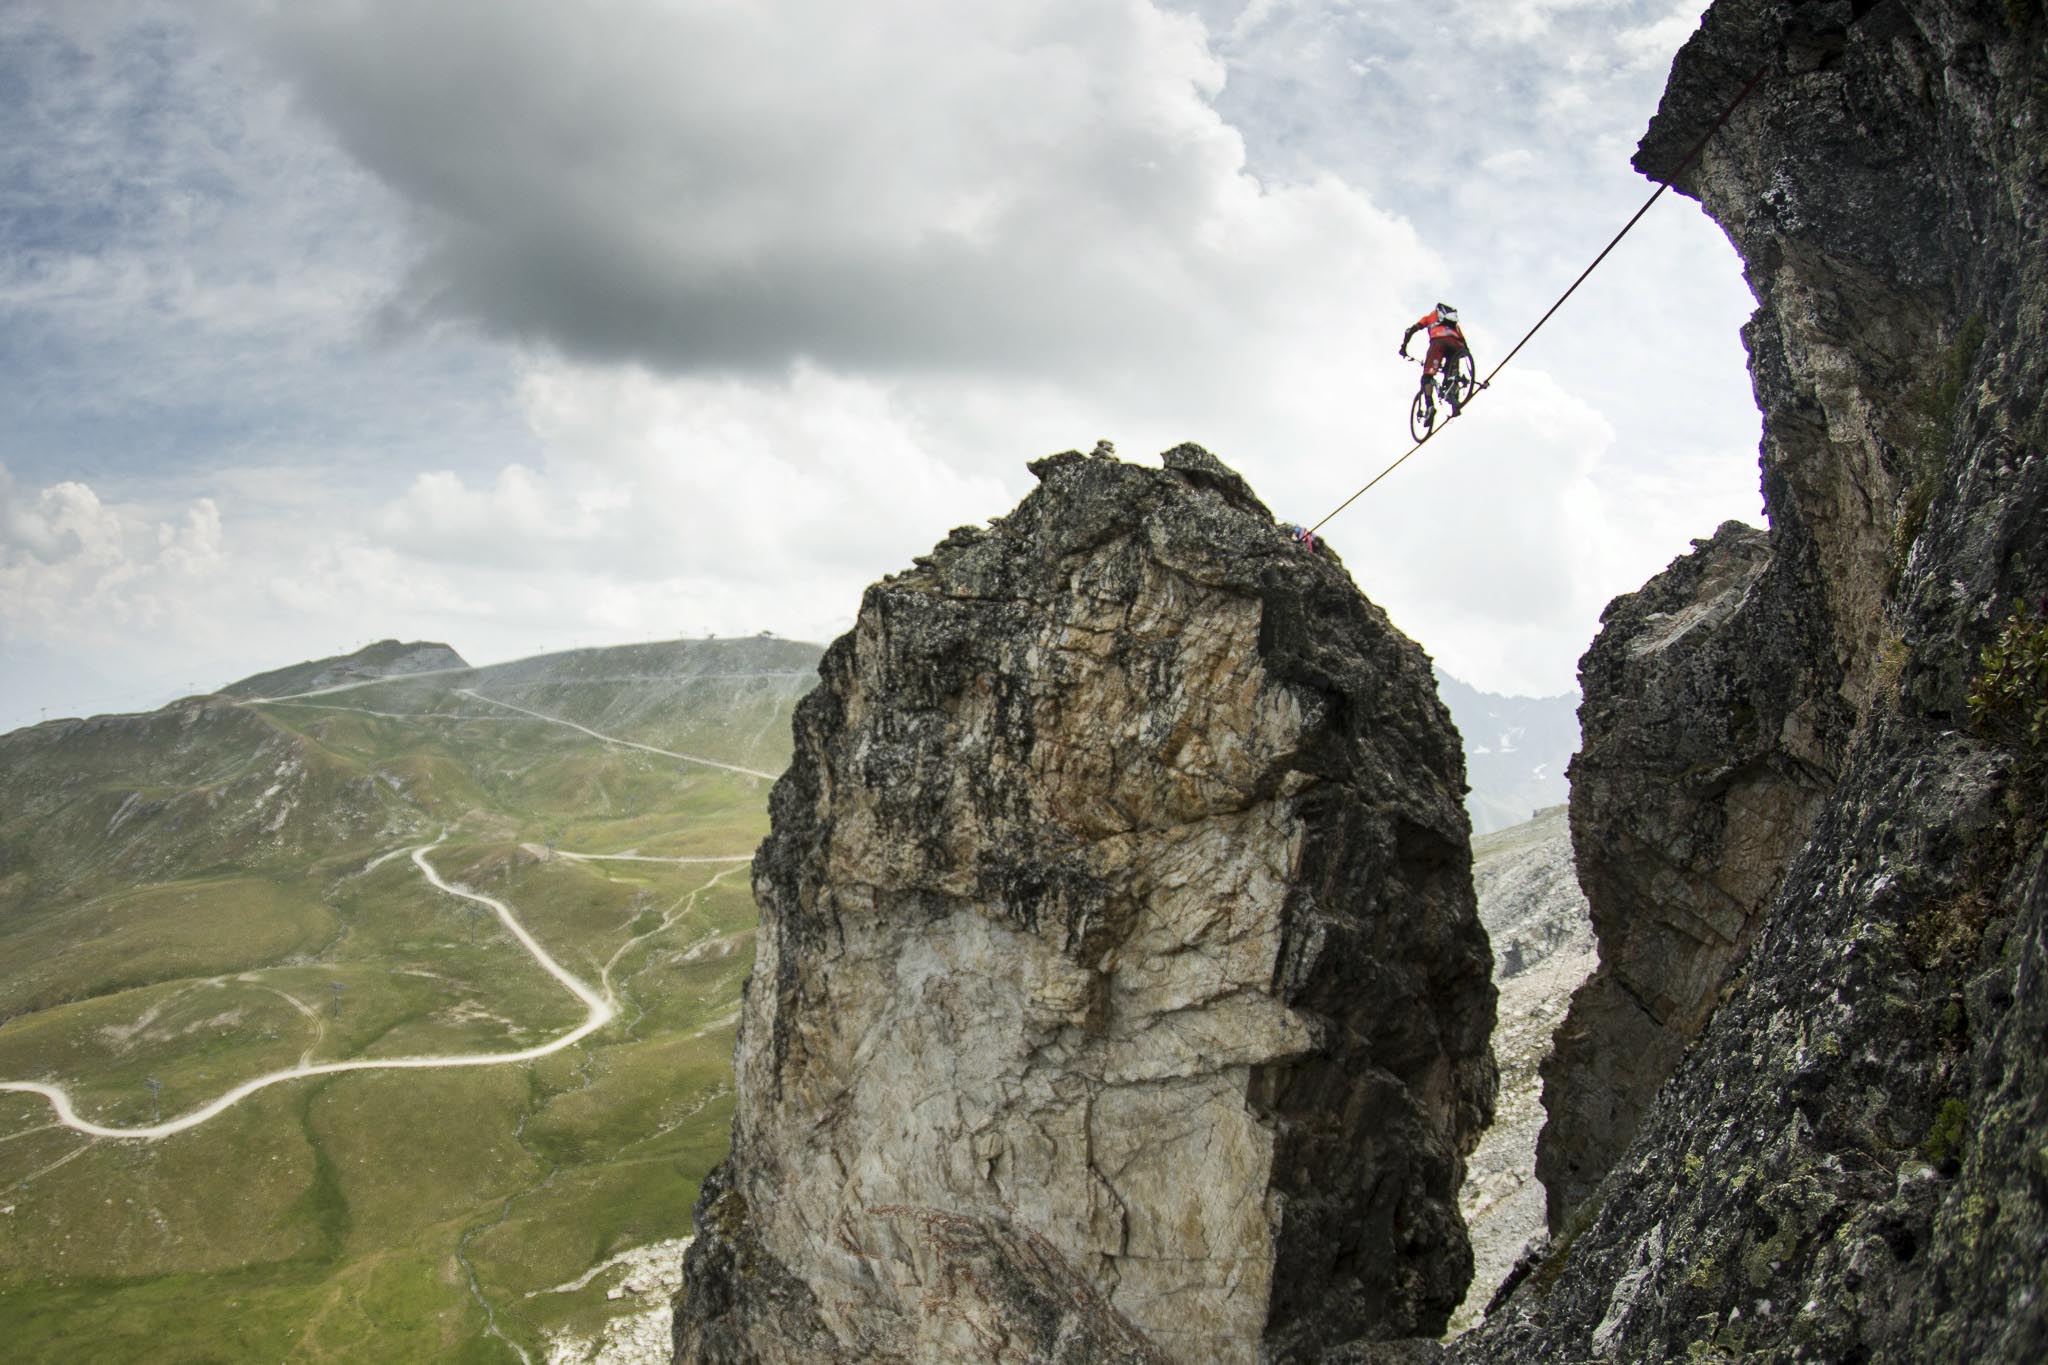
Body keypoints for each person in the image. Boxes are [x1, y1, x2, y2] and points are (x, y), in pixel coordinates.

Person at [1399, 303, 1473, 414]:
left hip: (1438, 343)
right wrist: (1466, 353)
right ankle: (1455, 405)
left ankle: (1430, 407)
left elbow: (1409, 331)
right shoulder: (1454, 325)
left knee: (1426, 377)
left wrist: (1403, 347)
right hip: (1456, 345)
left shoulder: (1429, 317)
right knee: (1451, 374)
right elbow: (1463, 341)